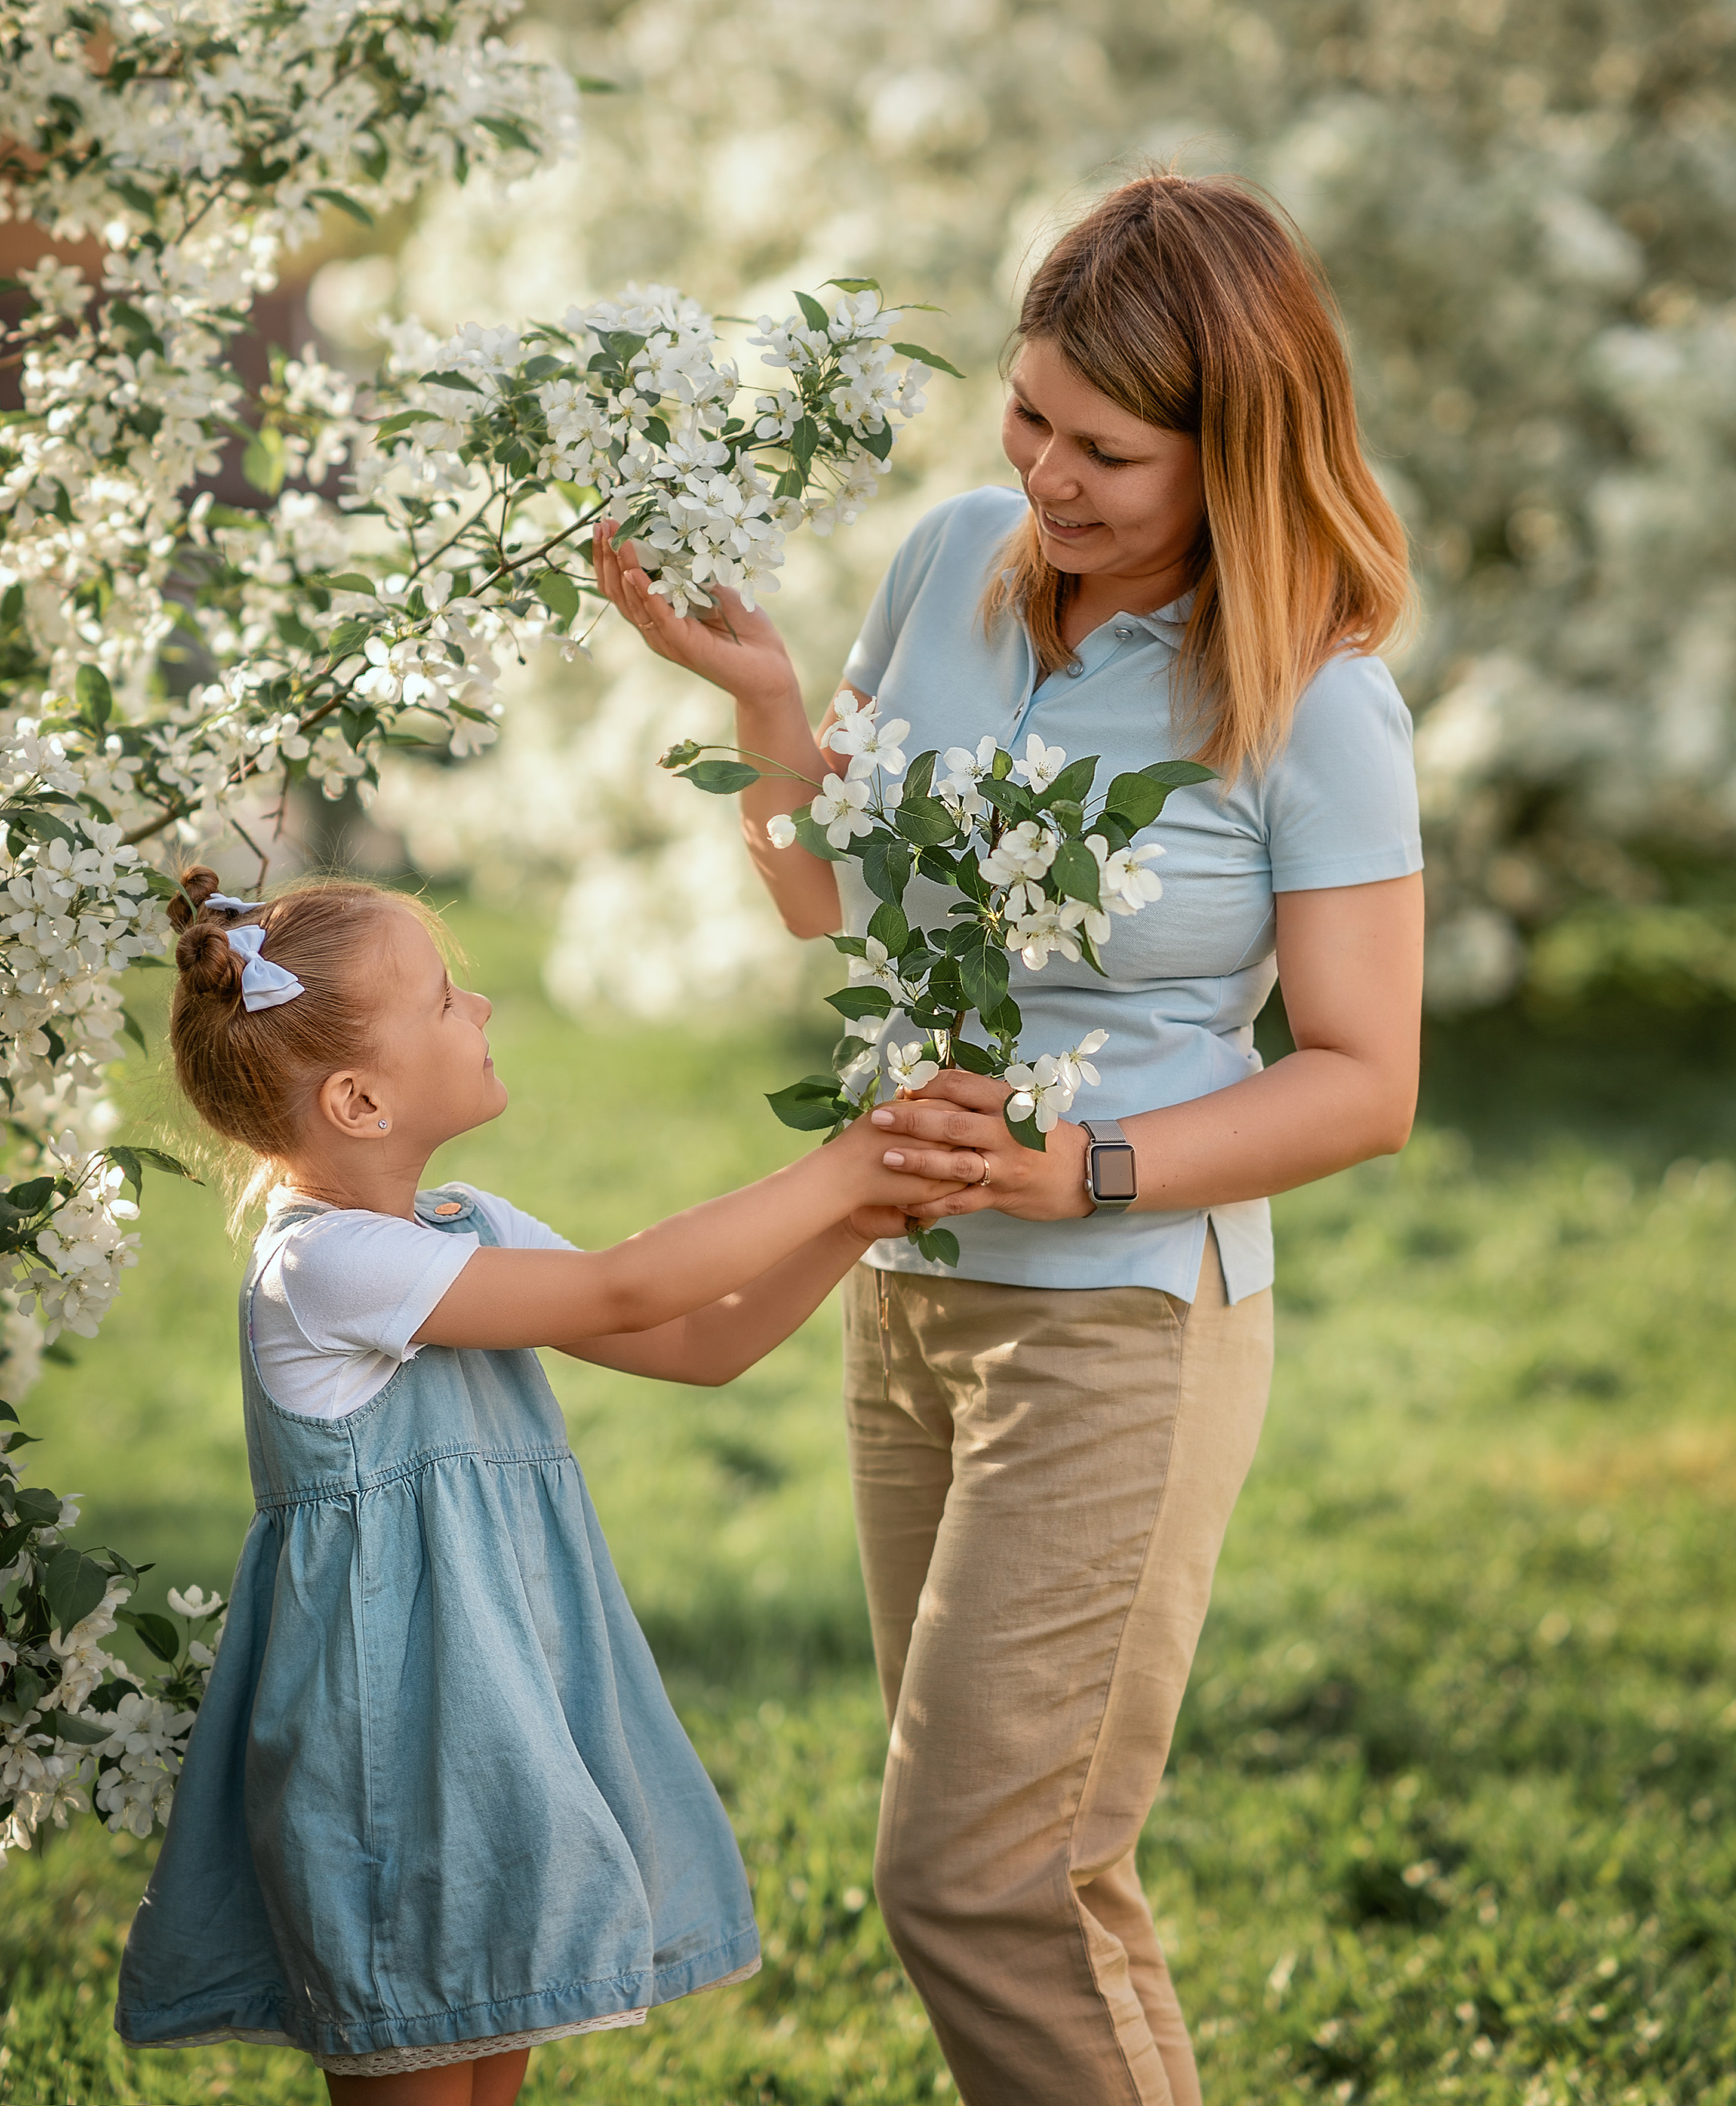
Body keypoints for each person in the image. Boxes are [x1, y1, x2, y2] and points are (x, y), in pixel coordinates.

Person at [592, 169, 1425, 2106]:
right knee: (1019, 1875)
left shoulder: (1318, 702)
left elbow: (1366, 1079)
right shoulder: (956, 556)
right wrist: (774, 712)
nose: (1047, 474)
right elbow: (836, 908)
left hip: (1124, 1318)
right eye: (1029, 415)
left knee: (984, 1884)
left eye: (1107, 450)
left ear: (1239, 451)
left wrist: (1088, 1170)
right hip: (908, 1290)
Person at [115, 867, 980, 2104]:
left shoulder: (463, 1224)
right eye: (442, 1001)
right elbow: (627, 1290)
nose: (483, 1006)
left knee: (492, 2049)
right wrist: (836, 1172)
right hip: (396, 1742)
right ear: (358, 1099)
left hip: (506, 1710)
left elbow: (699, 1342)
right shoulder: (325, 1268)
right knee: (417, 2048)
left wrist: (858, 1220)